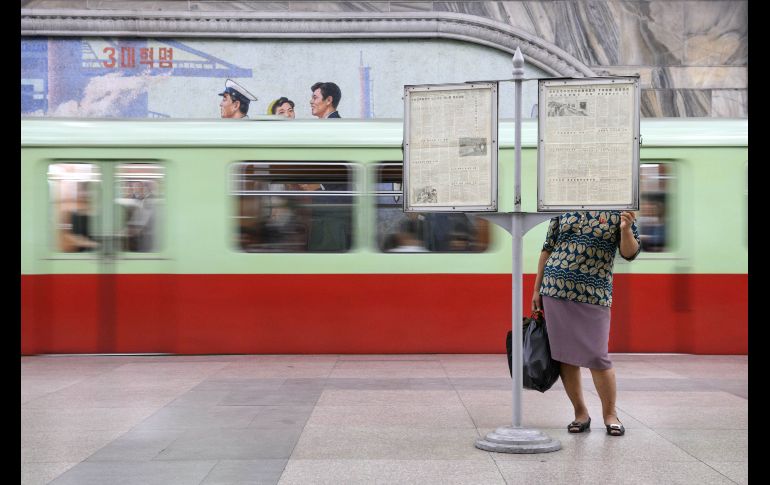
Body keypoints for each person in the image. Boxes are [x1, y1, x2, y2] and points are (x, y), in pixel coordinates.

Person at [531, 210, 640, 437]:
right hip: (555, 289)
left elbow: (630, 253)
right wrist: (536, 289)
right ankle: (580, 414)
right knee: (565, 356)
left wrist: (626, 229)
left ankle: (610, 415)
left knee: (598, 357)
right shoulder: (562, 207)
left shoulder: (618, 210)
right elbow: (548, 249)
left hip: (595, 293)